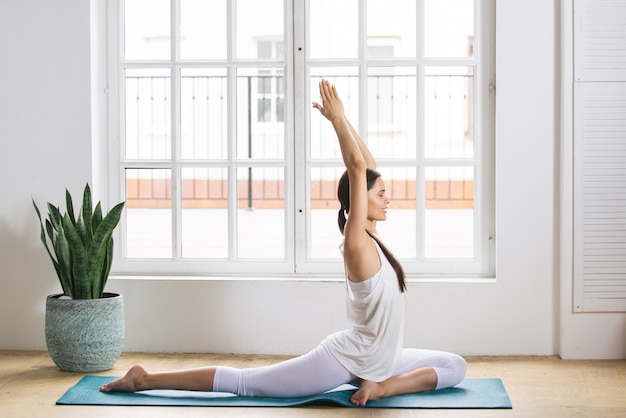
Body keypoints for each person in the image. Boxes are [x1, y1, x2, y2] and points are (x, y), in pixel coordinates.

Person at [99, 79, 466, 406]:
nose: (389, 199)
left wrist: (343, 118)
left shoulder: (373, 235)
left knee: (454, 366)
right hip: (347, 358)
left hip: (381, 361)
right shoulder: (357, 242)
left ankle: (381, 388)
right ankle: (143, 379)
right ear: (358, 203)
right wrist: (337, 121)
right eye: (382, 193)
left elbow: (365, 165)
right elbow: (357, 169)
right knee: (246, 384)